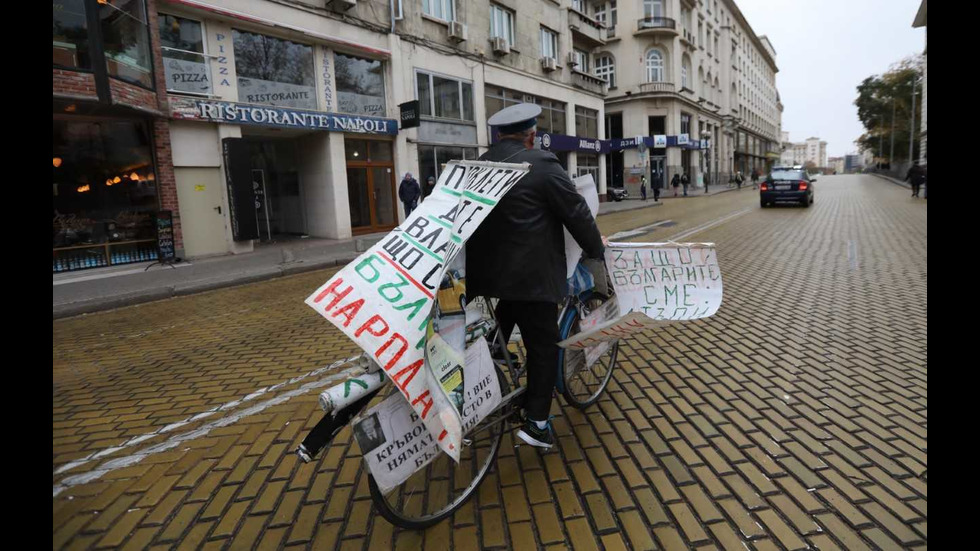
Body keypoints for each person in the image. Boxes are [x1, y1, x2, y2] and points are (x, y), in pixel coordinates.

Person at [466, 103, 605, 449]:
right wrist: (596, 249)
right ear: (531, 136)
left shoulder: (479, 165)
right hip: (532, 278)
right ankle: (537, 423)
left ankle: (490, 366)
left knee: (504, 324)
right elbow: (576, 212)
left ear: (498, 136)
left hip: (487, 276)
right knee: (543, 347)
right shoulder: (542, 164)